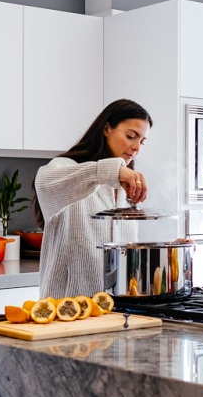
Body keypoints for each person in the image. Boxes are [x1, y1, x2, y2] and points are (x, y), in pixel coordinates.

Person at [32, 98, 153, 299]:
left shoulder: (124, 189)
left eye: (141, 141)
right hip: (67, 312)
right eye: (131, 136)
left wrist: (168, 251)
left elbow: (124, 254)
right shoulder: (64, 167)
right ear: (107, 128)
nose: (136, 148)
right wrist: (110, 171)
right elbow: (44, 182)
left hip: (116, 311)